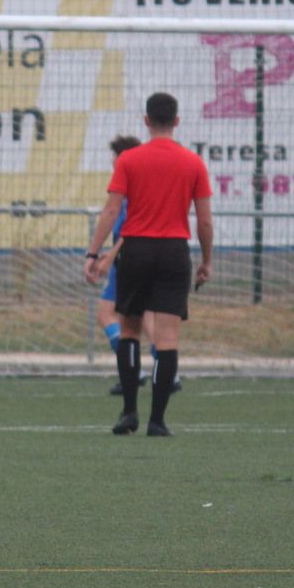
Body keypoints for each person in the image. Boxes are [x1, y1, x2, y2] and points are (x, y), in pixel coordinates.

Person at [83, 92, 213, 437]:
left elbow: (111, 211)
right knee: (167, 338)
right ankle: (157, 421)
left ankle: (129, 413)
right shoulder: (193, 163)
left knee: (129, 331)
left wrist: (93, 254)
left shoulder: (129, 160)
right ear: (177, 121)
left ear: (146, 121)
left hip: (136, 250)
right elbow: (205, 221)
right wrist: (207, 260)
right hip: (174, 252)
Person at [93, 135, 175, 398]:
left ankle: (141, 370)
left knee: (115, 315)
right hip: (134, 257)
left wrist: (107, 257)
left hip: (130, 260)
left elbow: (130, 230)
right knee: (142, 316)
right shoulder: (132, 186)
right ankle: (163, 369)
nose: (113, 162)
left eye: (116, 157)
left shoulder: (131, 189)